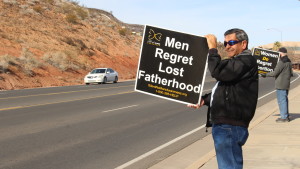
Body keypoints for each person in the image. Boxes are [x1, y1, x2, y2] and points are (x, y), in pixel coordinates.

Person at [188, 28, 258, 169]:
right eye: (225, 43)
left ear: (243, 44)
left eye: (231, 42)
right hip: (226, 126)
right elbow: (225, 88)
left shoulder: (246, 60)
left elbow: (219, 72)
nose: (227, 46)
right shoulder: (237, 63)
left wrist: (213, 49)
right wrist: (205, 100)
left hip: (230, 127)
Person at [261, 47, 293, 122]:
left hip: (280, 84)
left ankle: (284, 118)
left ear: (281, 53)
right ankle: (286, 115)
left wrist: (265, 74)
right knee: (284, 100)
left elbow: (275, 73)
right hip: (286, 83)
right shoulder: (288, 61)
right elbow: (291, 73)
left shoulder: (281, 62)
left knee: (282, 100)